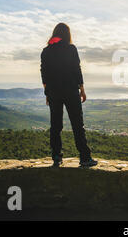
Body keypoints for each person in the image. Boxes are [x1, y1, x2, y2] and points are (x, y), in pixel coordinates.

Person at [40, 23, 97, 168]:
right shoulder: (71, 49)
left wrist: (47, 93)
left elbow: (44, 75)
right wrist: (82, 89)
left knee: (55, 126)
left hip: (54, 92)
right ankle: (85, 158)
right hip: (70, 91)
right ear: (67, 34)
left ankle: (56, 157)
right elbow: (76, 69)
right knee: (78, 125)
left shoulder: (45, 51)